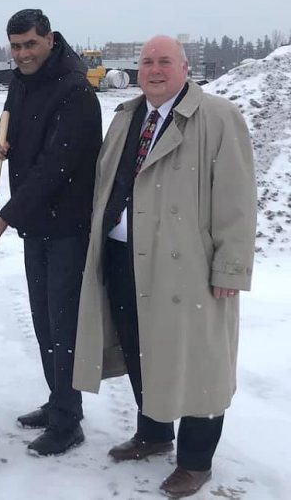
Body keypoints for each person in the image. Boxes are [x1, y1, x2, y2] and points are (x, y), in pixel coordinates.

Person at [72, 35, 256, 498]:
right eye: (147, 62)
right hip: (122, 256)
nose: (154, 70)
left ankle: (196, 461)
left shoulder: (217, 117)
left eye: (164, 62)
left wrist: (230, 269)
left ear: (184, 66)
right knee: (141, 350)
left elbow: (237, 200)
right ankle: (154, 434)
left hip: (187, 268)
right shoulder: (127, 117)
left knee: (199, 361)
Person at [0, 9, 102, 456]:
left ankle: (68, 421)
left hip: (67, 226)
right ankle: (58, 402)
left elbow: (57, 167)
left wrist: (4, 217)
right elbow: (12, 128)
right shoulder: (22, 80)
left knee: (62, 325)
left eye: (30, 44)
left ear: (49, 39)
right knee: (43, 321)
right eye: (15, 46)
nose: (22, 54)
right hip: (37, 226)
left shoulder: (74, 90)